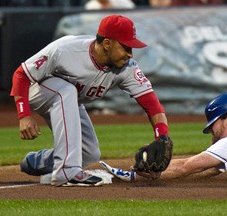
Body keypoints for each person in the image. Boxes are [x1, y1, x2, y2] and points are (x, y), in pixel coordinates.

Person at [10, 14, 169, 186]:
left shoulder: (127, 68)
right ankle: (67, 172)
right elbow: (21, 75)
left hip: (67, 99)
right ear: (107, 44)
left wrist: (162, 137)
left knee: (89, 152)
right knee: (67, 91)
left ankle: (37, 162)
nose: (130, 54)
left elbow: (152, 104)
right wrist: (24, 115)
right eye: (126, 47)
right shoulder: (65, 49)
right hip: (35, 89)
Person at [102, 93, 227, 182]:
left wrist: (135, 175)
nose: (211, 131)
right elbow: (212, 168)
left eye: (213, 124)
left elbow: (186, 166)